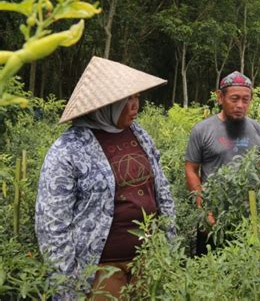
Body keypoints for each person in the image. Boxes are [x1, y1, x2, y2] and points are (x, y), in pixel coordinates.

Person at [35, 56, 176, 300]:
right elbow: (52, 224)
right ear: (105, 104)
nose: (135, 107)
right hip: (99, 271)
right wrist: (67, 284)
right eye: (127, 99)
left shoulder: (139, 134)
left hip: (149, 262)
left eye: (137, 97)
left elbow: (161, 189)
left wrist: (170, 242)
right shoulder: (68, 150)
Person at [185, 71, 260, 255]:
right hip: (212, 215)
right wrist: (203, 208)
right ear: (220, 97)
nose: (240, 105)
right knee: (208, 270)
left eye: (246, 100)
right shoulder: (202, 130)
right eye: (234, 98)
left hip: (247, 217)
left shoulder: (256, 129)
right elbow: (191, 169)